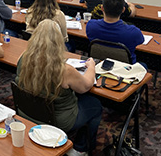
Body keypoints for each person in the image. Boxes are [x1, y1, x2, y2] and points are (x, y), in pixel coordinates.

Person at [16, 19, 102, 155]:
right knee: (95, 105)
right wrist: (91, 66)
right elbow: (86, 86)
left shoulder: (23, 58)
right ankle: (82, 148)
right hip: (58, 120)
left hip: (27, 112)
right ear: (59, 41)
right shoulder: (64, 70)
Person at [86, 0, 144, 64]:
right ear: (123, 10)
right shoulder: (134, 32)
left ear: (102, 8)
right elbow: (141, 41)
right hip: (125, 70)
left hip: (100, 65)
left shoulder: (91, 26)